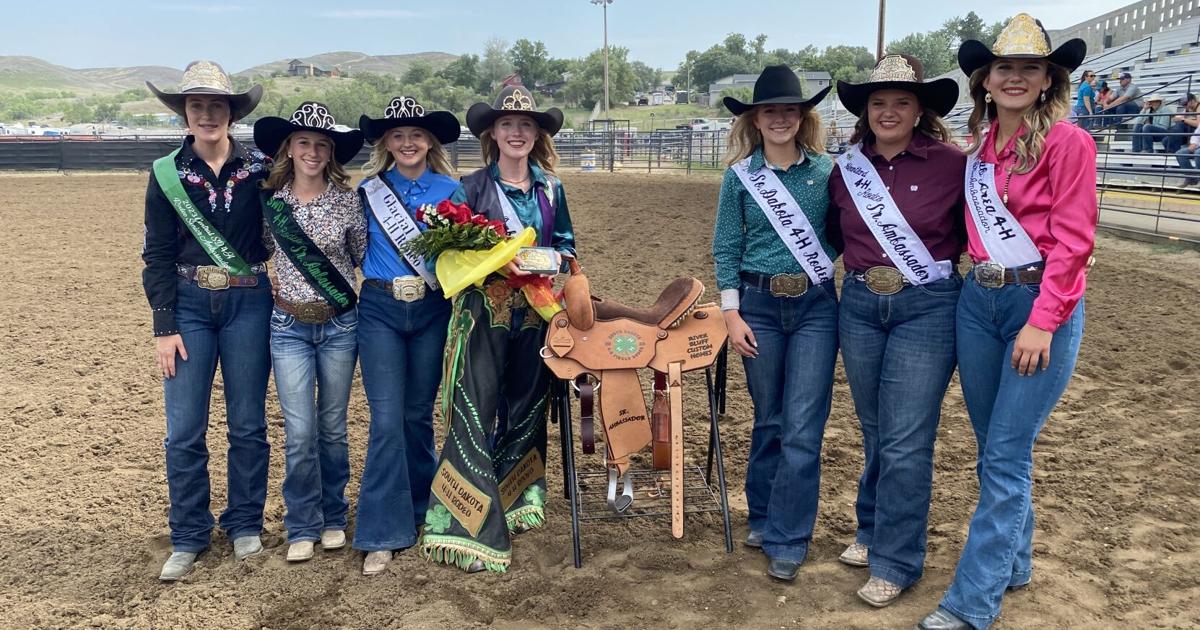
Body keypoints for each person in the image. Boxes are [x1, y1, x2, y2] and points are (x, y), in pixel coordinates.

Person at [918, 14, 1095, 630]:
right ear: (985, 82)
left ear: (1048, 79)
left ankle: (972, 603)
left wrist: (1044, 321)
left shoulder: (1068, 143)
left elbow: (1073, 244)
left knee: (1006, 455)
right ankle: (1013, 564)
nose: (1015, 77)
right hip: (978, 301)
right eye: (1004, 67)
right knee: (993, 449)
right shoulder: (980, 151)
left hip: (1035, 303)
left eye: (1029, 67)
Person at [825, 54, 965, 608]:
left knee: (906, 439)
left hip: (926, 306)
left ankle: (897, 560)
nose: (889, 111)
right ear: (865, 111)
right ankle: (870, 527)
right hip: (860, 302)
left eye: (901, 102)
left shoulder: (953, 165)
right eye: (878, 102)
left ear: (920, 110)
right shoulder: (847, 170)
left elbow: (971, 232)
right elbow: (835, 234)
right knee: (876, 428)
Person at [418, 85, 576, 573]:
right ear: (492, 133)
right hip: (483, 315)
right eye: (507, 125)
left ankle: (518, 495)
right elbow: (448, 253)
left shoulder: (552, 188)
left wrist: (541, 259)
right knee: (475, 407)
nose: (516, 133)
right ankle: (463, 521)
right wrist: (500, 265)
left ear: (537, 135)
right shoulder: (468, 187)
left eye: (525, 125)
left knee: (527, 404)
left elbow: (568, 246)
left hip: (535, 315)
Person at [141, 61, 272, 581]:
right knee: (183, 431)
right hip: (190, 306)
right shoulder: (165, 175)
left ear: (232, 113)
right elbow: (157, 252)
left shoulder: (262, 170)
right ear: (185, 115)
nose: (208, 114)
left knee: (248, 424)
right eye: (197, 106)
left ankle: (244, 524)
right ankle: (189, 534)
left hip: (249, 302)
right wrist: (163, 325)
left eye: (217, 106)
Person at [711, 65, 837, 583]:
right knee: (769, 420)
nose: (781, 118)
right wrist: (731, 311)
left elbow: (850, 234)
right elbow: (726, 246)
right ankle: (761, 514)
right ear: (756, 120)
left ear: (802, 117)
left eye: (790, 110)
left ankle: (789, 535)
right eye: (770, 111)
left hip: (815, 307)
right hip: (758, 306)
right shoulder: (739, 177)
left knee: (803, 426)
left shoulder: (829, 173)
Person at [353, 97, 463, 576]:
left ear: (430, 141)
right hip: (379, 307)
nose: (407, 142)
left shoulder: (452, 190)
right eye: (397, 135)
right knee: (385, 418)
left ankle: (422, 509)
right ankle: (382, 531)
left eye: (416, 135)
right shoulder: (368, 191)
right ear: (385, 143)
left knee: (418, 415)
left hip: (432, 307)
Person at [254, 102, 366, 563]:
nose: (313, 151)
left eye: (322, 144)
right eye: (304, 142)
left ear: (331, 153)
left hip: (340, 325)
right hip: (288, 327)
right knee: (299, 431)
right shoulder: (271, 204)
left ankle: (334, 516)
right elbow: (258, 251)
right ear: (289, 148)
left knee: (333, 428)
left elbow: (361, 256)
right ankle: (301, 522)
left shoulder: (348, 200)